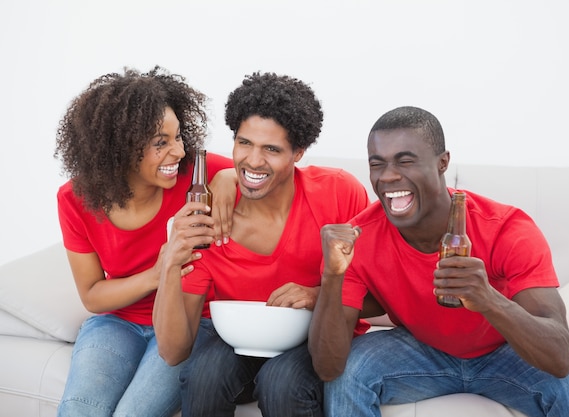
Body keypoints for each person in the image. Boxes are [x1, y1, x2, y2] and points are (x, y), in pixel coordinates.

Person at [309, 106, 569, 417]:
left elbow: (560, 358)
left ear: (443, 162)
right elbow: (328, 368)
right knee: (348, 376)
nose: (388, 176)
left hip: (505, 351)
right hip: (419, 350)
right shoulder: (357, 239)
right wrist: (332, 276)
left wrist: (488, 299)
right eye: (377, 164)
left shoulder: (507, 229)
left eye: (406, 161)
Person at [153, 72, 371, 417]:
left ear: (298, 152)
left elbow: (378, 298)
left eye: (271, 149)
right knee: (203, 377)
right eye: (244, 143)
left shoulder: (339, 193)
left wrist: (318, 295)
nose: (253, 161)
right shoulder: (209, 218)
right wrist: (168, 265)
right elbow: (173, 352)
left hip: (313, 338)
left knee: (282, 383)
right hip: (237, 342)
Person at [54, 66, 235, 417]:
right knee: (79, 411)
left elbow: (265, 171)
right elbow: (92, 295)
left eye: (179, 136)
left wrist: (228, 177)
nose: (179, 152)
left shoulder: (200, 174)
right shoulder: (74, 199)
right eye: (160, 143)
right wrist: (159, 270)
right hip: (117, 323)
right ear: (118, 147)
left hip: (194, 322)